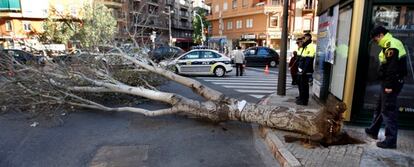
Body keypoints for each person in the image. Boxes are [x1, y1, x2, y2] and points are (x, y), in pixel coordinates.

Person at [365, 26, 407, 149]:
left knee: (388, 111)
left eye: (375, 39)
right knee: (380, 107)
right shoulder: (388, 45)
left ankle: (390, 141)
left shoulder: (391, 45)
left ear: (381, 35)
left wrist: (389, 86)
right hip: (387, 82)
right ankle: (373, 130)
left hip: (391, 83)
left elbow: (392, 68)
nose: (375, 41)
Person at [296, 33, 316, 105]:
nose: (303, 40)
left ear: (308, 38)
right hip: (302, 70)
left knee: (304, 86)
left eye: (304, 38)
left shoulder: (310, 47)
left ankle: (304, 101)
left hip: (305, 71)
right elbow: (302, 59)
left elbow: (308, 60)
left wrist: (304, 71)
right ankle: (302, 98)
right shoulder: (306, 46)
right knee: (301, 85)